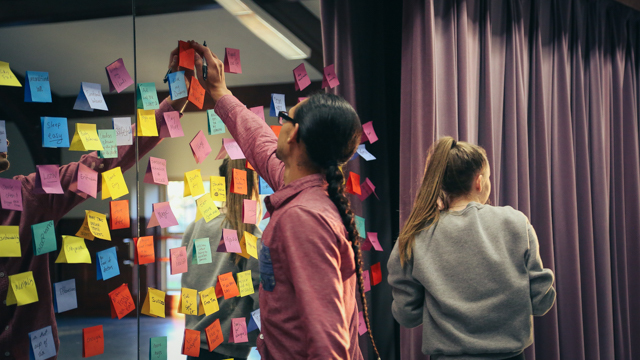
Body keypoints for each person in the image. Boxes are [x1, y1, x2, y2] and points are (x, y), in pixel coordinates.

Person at [185, 40, 379, 360]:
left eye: (283, 119)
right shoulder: (306, 190)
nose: (276, 126)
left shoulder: (302, 217)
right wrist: (219, 92)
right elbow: (257, 140)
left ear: (293, 135)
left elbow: (325, 334)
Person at [0, 49, 192, 359]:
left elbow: (104, 162)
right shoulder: (29, 194)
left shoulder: (30, 193)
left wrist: (175, 99)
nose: (6, 140)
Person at [387, 137, 556, 360]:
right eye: (488, 178)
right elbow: (541, 301)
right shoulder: (515, 222)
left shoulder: (414, 235)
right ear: (478, 182)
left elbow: (407, 315)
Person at [181, 157, 262, 360]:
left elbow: (188, 282)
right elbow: (261, 295)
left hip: (195, 346)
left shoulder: (195, 227)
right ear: (253, 187)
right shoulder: (249, 233)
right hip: (228, 350)